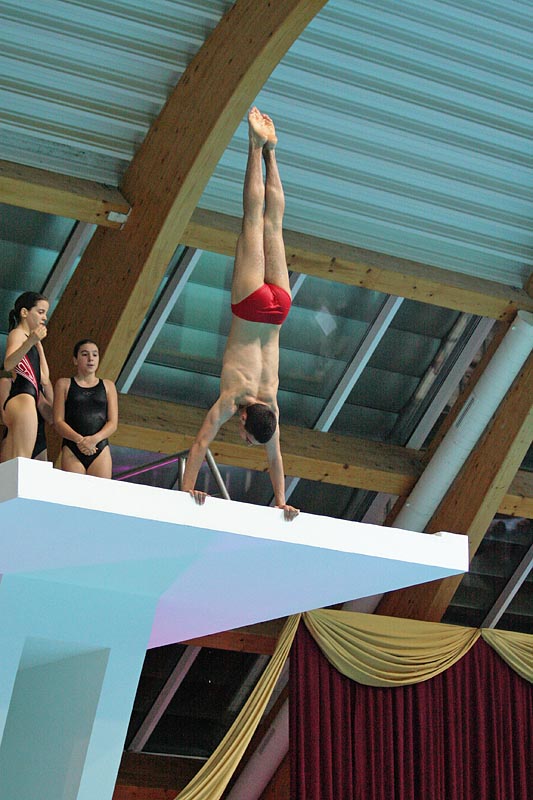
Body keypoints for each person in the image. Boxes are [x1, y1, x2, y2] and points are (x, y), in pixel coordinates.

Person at [181, 107, 299, 520]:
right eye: (246, 434)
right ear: (247, 417)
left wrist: (282, 500)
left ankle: (272, 154)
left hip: (280, 308)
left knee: (275, 227)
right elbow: (200, 444)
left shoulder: (273, 407)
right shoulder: (232, 400)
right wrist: (188, 489)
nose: (242, 434)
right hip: (250, 306)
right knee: (253, 222)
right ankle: (253, 146)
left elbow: (275, 458)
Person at [53, 339, 118, 479]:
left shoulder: (108, 386)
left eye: (95, 355)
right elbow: (58, 421)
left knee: (99, 497)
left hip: (99, 447)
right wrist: (80, 440)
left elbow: (113, 423)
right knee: (74, 497)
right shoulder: (64, 384)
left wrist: (94, 440)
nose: (90, 359)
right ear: (75, 360)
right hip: (73, 447)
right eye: (85, 354)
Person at [2, 292, 53, 460]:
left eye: (46, 313)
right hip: (23, 399)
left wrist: (38, 345)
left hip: (29, 398)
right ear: (24, 312)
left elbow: (44, 378)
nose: (44, 317)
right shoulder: (17, 334)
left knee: (12, 463)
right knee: (21, 462)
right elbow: (9, 364)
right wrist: (30, 342)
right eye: (40, 312)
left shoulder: (33, 341)